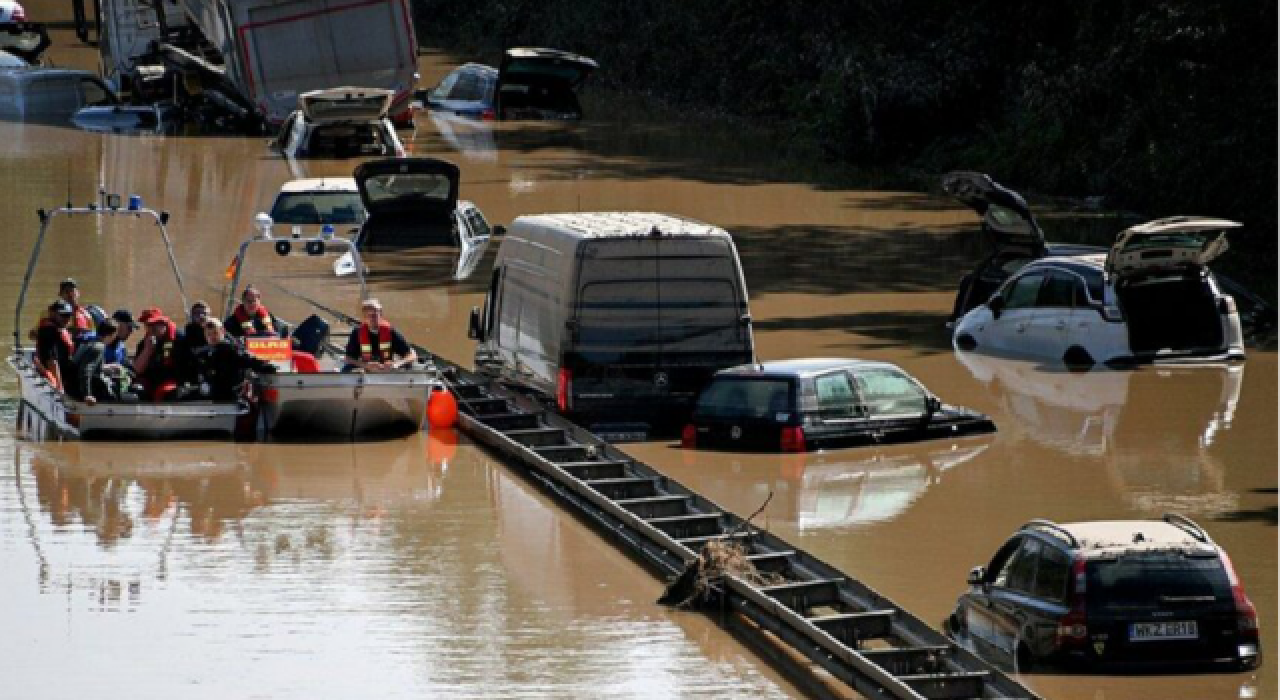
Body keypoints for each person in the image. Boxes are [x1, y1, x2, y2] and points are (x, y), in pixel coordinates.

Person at [194, 318, 277, 401]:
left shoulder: (232, 350)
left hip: (232, 396)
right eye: (209, 334)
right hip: (212, 396)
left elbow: (249, 361)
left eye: (215, 333)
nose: (212, 337)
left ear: (222, 331)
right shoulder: (203, 354)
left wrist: (265, 366)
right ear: (205, 335)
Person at [68, 319, 138, 405]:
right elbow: (85, 371)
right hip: (92, 392)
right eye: (115, 334)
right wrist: (87, 395)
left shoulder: (87, 343)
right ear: (111, 334)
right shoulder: (98, 347)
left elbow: (82, 365)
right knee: (134, 397)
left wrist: (107, 367)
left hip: (76, 388)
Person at [344, 298, 417, 371]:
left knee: (409, 365)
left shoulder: (391, 331)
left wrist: (396, 364)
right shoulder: (357, 332)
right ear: (364, 316)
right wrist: (365, 365)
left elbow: (412, 355)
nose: (372, 318)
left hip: (387, 370)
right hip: (365, 369)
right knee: (346, 368)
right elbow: (348, 358)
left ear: (380, 314)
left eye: (374, 314)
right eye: (368, 315)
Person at [134, 308, 180, 399]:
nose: (151, 329)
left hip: (171, 380)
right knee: (136, 390)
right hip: (149, 381)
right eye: (147, 325)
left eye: (154, 325)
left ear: (164, 323)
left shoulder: (178, 340)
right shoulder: (143, 343)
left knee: (168, 393)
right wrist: (147, 350)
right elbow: (137, 370)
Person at [35, 300, 76, 388]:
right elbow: (52, 361)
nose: (67, 319)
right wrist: (60, 388)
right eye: (63, 315)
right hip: (52, 376)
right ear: (52, 314)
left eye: (69, 315)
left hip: (65, 372)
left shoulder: (59, 329)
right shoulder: (49, 331)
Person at [58, 278, 96, 343]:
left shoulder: (86, 314)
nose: (70, 294)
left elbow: (93, 334)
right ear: (60, 294)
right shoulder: (52, 313)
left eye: (73, 291)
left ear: (78, 293)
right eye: (67, 291)